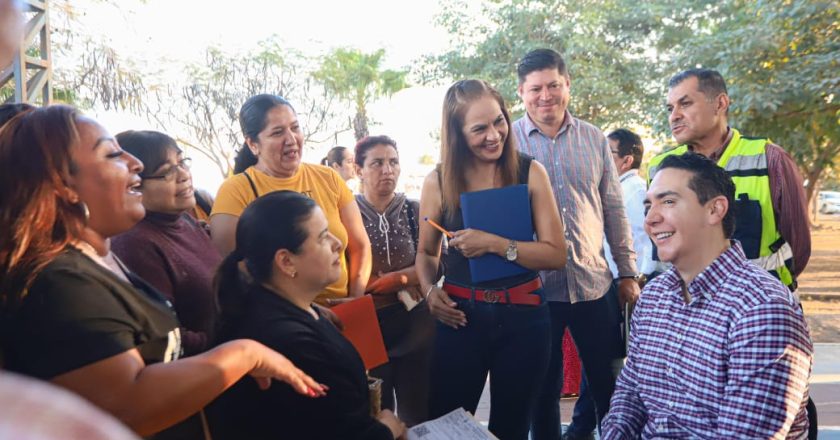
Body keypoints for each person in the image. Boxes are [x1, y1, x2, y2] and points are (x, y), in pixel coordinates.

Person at [0, 105, 325, 439]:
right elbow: (127, 405)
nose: (135, 163)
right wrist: (243, 354)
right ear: (64, 185)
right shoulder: (60, 281)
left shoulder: (100, 259)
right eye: (112, 154)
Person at [603, 152, 813, 438]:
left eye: (668, 202)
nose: (650, 219)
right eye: (648, 206)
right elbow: (628, 399)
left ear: (715, 210)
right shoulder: (653, 297)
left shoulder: (763, 310)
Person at [416, 79, 567, 440]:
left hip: (525, 319)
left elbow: (556, 253)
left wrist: (496, 244)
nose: (494, 135)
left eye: (499, 121)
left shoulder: (530, 172)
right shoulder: (438, 180)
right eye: (479, 128)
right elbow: (425, 253)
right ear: (456, 134)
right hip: (459, 318)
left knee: (513, 427)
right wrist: (427, 291)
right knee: (449, 426)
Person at [208, 190, 406, 440]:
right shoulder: (290, 343)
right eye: (323, 237)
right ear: (286, 262)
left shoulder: (286, 309)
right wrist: (389, 427)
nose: (338, 243)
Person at [512, 48, 638, 439]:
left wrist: (628, 273)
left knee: (608, 384)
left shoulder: (594, 138)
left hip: (594, 285)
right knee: (543, 390)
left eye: (553, 85)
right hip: (535, 290)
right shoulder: (506, 143)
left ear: (568, 85)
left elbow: (614, 210)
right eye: (535, 89)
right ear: (521, 92)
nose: (545, 96)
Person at [648, 68, 810, 291]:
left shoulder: (769, 159)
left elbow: (799, 246)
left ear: (720, 103)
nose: (674, 116)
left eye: (685, 104)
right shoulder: (659, 168)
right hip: (682, 310)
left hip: (757, 307)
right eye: (670, 108)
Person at [210, 94, 371, 301]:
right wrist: (309, 313)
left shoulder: (328, 177)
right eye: (277, 132)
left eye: (295, 128)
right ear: (253, 144)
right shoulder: (235, 191)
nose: (291, 139)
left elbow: (360, 246)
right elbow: (239, 276)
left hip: (349, 311)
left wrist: (356, 298)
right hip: (285, 321)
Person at [565, 128, 656, 439]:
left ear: (626, 160)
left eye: (610, 153)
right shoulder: (619, 187)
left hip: (621, 287)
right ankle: (581, 428)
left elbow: (634, 242)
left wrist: (628, 280)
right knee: (600, 365)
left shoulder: (633, 193)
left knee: (609, 368)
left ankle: (593, 429)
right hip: (611, 283)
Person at [112, 130, 221, 355]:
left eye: (182, 162)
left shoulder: (186, 220)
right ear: (133, 184)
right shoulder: (135, 243)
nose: (183, 175)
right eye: (166, 172)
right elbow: (165, 338)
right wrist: (235, 347)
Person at [351, 134, 434, 426]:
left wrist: (398, 279)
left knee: (418, 409)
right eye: (377, 163)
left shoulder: (415, 209)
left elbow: (436, 260)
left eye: (393, 162)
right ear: (358, 169)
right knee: (377, 410)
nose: (387, 170)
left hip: (415, 322)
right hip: (368, 324)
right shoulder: (347, 212)